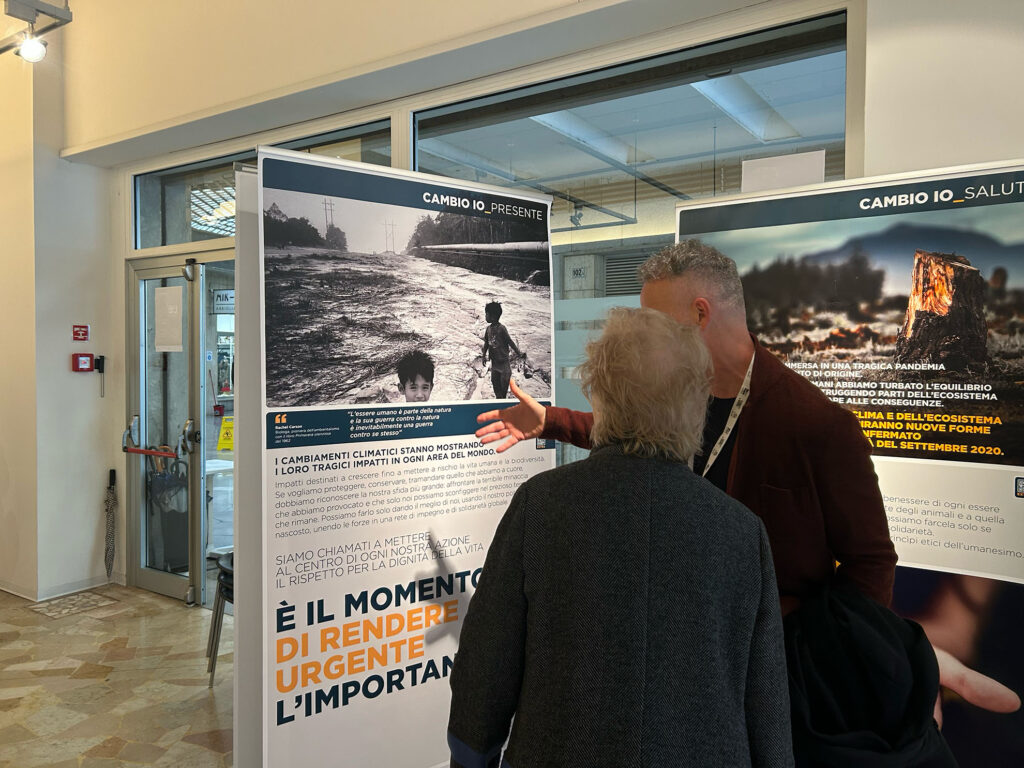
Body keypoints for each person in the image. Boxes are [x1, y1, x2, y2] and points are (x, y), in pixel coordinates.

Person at [475, 239, 1021, 719]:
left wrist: (846, 660)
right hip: (681, 655)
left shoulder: (818, 426)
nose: (643, 338)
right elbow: (634, 436)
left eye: (654, 323)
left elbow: (870, 560)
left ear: (699, 314)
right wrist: (551, 421)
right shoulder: (682, 396)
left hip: (771, 674)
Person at [449, 307, 794, 768]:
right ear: (696, 402)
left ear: (601, 393)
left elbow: (485, 667)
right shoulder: (742, 532)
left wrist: (471, 758)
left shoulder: (541, 506)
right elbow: (767, 704)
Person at [482, 301, 520, 398]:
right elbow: (486, 343)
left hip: (504, 366)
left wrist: (518, 353)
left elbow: (510, 341)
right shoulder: (488, 329)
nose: (485, 316)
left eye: (487, 314)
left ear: (493, 316)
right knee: (496, 387)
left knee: (503, 391)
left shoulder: (502, 329)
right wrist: (483, 356)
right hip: (494, 365)